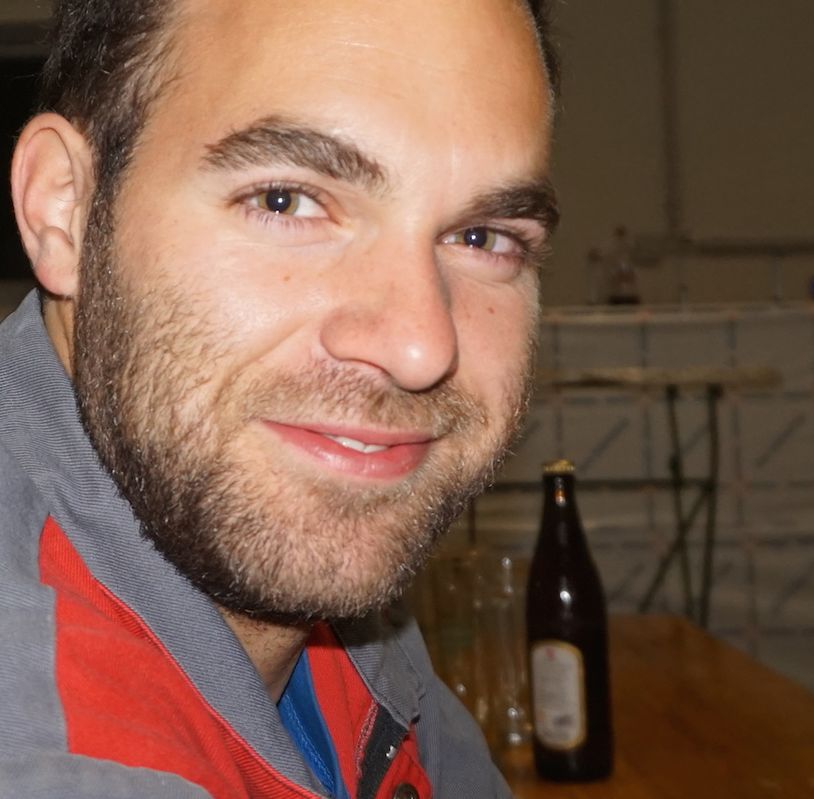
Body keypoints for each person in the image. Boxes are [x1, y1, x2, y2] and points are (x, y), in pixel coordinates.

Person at [1, 0, 559, 796]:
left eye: (482, 237)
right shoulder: (54, 751)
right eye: (286, 200)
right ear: (65, 209)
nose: (421, 346)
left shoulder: (295, 570)